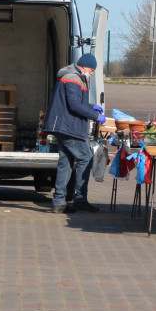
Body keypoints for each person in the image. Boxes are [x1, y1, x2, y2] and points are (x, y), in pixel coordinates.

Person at [42, 53, 105, 214]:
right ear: (84, 66)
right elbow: (75, 105)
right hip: (69, 128)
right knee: (86, 157)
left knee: (66, 162)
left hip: (64, 127)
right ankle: (80, 199)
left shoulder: (77, 77)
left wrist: (91, 107)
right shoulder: (73, 78)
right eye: (91, 70)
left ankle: (59, 203)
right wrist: (96, 116)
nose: (91, 73)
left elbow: (78, 102)